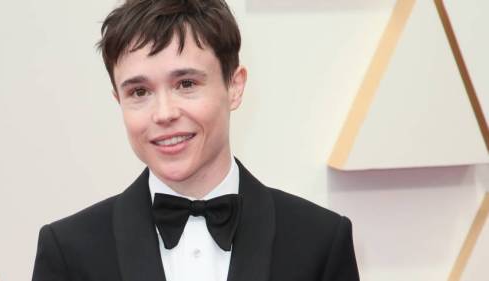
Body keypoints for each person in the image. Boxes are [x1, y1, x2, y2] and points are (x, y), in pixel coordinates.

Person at [31, 0, 360, 280]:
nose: (164, 113)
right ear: (118, 100)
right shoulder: (69, 253)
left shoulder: (320, 241)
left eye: (186, 84)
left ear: (235, 86)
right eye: (139, 92)